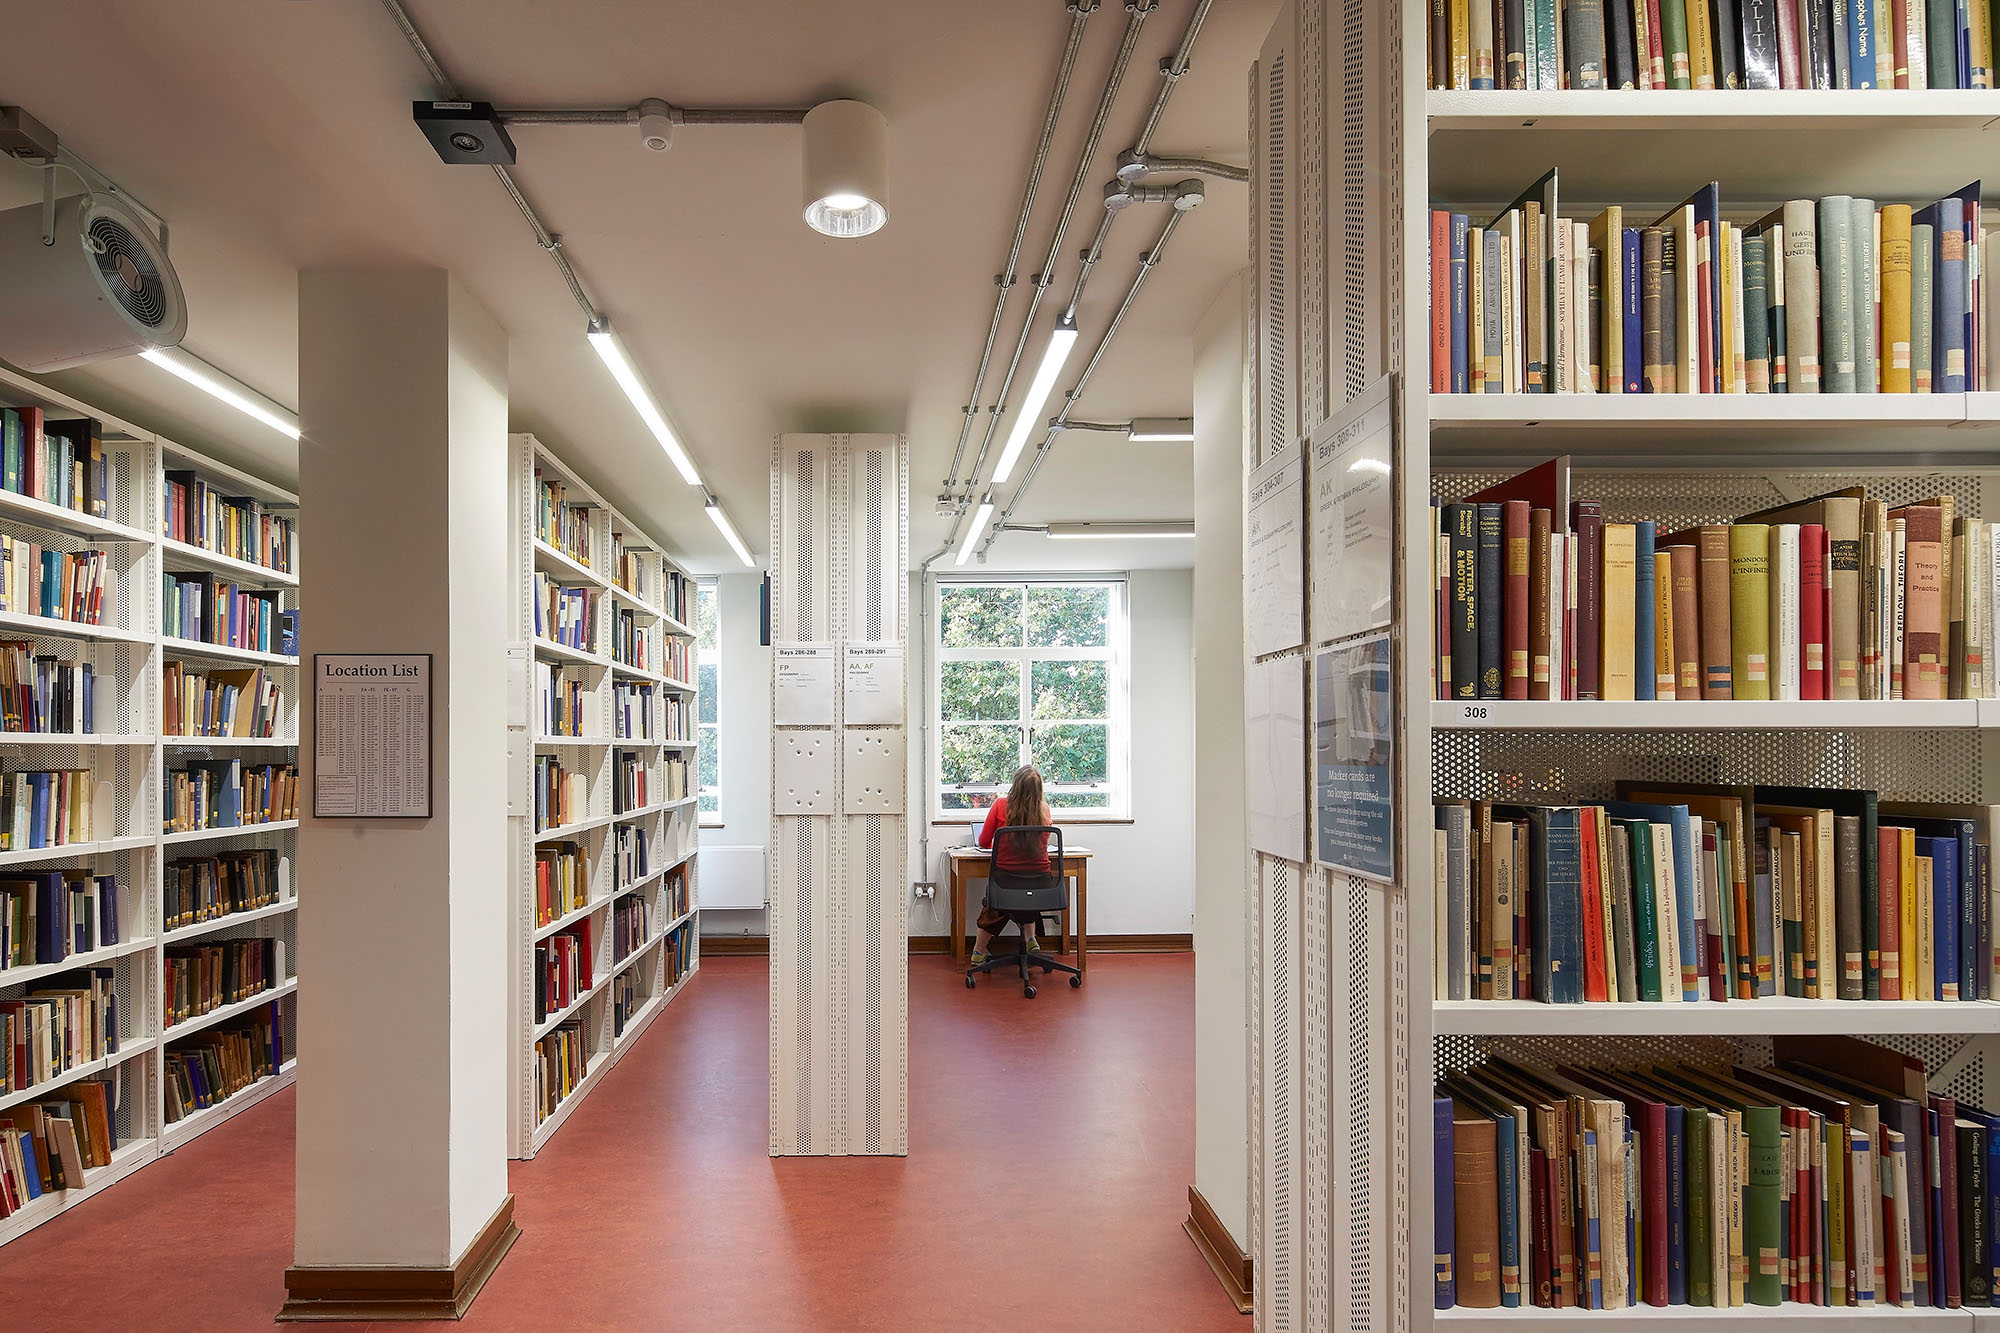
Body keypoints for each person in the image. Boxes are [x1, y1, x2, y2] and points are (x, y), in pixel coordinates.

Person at [970, 765, 1054, 969]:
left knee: (995, 903)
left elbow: (982, 841)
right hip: (1041, 883)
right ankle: (1030, 938)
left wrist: (1000, 844)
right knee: (1027, 895)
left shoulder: (1000, 805)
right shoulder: (1044, 809)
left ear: (1015, 785)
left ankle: (978, 952)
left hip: (1005, 881)